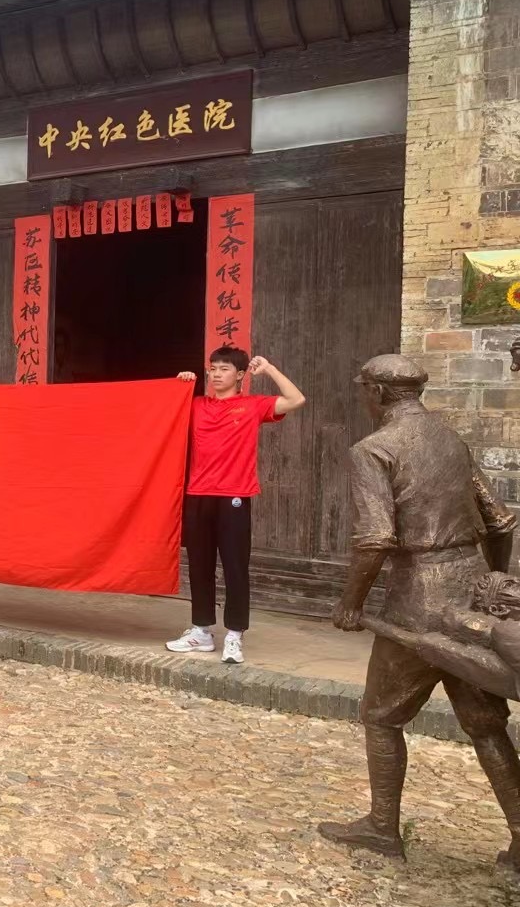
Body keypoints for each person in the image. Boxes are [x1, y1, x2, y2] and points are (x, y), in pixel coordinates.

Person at [319, 355, 520, 865]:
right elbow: (500, 522)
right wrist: (491, 584)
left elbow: (375, 538)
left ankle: (382, 827)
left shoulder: (374, 449)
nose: (363, 398)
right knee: (486, 724)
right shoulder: (451, 440)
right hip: (470, 585)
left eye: (364, 390)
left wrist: (350, 603)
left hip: (416, 599)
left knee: (381, 716)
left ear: (378, 393)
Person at [167, 347, 305, 665]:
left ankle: (234, 635)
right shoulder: (196, 405)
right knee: (199, 566)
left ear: (240, 374)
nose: (216, 374)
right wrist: (180, 384)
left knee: (235, 567)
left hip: (235, 496)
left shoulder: (253, 406)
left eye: (224, 369)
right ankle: (201, 631)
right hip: (198, 494)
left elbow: (296, 399)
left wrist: (269, 369)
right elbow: (164, 412)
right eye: (212, 368)